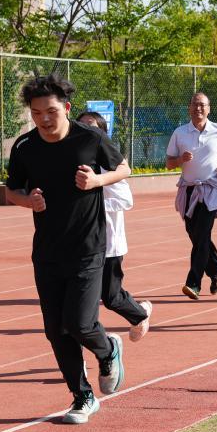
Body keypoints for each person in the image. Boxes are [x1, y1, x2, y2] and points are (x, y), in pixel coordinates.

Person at [4, 75, 132, 425]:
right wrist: (27, 201)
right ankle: (82, 396)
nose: (44, 119)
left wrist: (97, 180)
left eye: (51, 111)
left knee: (79, 323)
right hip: (47, 251)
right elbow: (11, 190)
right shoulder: (24, 147)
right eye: (36, 113)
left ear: (67, 108)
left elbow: (123, 168)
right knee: (55, 330)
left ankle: (108, 349)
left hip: (88, 247)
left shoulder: (90, 138)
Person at [77, 111, 153, 342]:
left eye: (91, 126)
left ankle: (140, 314)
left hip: (109, 244)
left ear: (102, 133)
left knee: (111, 297)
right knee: (81, 298)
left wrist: (93, 202)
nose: (85, 130)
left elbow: (126, 200)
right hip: (82, 244)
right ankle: (91, 343)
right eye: (81, 126)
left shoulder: (110, 164)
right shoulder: (74, 163)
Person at [165, 92, 217, 300]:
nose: (198, 108)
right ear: (189, 108)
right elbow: (169, 163)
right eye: (195, 104)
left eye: (202, 105)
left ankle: (193, 283)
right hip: (189, 190)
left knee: (202, 232)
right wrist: (180, 159)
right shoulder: (180, 133)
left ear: (209, 108)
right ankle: (216, 270)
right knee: (196, 234)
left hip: (211, 189)